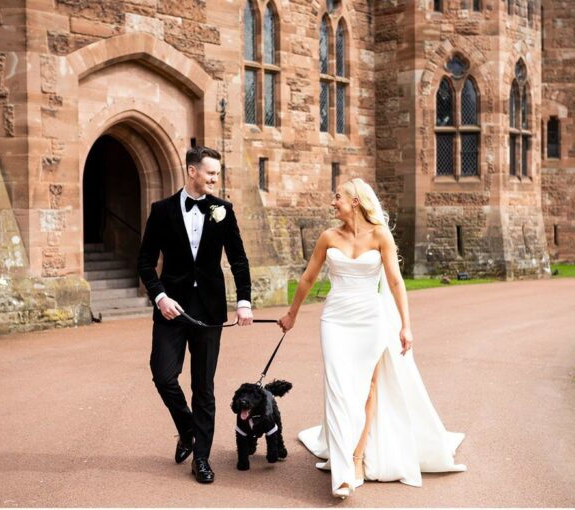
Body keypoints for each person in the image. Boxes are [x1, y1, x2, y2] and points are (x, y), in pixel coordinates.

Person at [278, 178, 466, 499]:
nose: (332, 202)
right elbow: (308, 278)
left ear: (355, 201)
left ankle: (357, 457)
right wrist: (292, 315)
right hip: (335, 320)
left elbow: (395, 282)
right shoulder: (328, 237)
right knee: (338, 391)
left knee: (367, 390)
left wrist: (406, 326)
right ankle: (342, 476)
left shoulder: (381, 236)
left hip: (370, 320)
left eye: (337, 196)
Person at [138, 146, 253, 484]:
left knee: (203, 387)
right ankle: (188, 428)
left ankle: (201, 458)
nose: (215, 178)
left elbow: (238, 259)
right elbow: (145, 261)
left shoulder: (223, 210)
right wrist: (160, 296)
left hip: (209, 311)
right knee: (163, 376)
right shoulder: (161, 211)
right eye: (210, 173)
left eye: (217, 173)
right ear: (192, 171)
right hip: (170, 309)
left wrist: (244, 301)